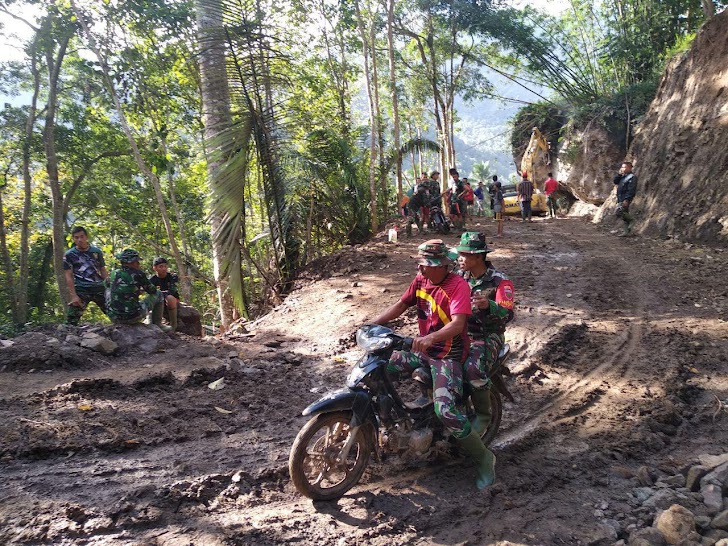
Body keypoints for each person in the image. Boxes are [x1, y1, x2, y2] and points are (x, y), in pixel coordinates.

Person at [372, 240, 496, 489]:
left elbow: (458, 324)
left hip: (447, 356)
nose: (421, 270)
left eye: (426, 266)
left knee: (446, 410)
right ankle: (389, 424)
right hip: (423, 350)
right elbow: (401, 304)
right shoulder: (421, 280)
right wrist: (372, 325)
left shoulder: (457, 285)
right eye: (420, 265)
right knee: (379, 369)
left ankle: (484, 459)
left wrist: (429, 338)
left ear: (441, 266)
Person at [453, 232, 515, 437]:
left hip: (487, 336)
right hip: (460, 332)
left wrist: (489, 306)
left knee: (472, 369)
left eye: (465, 254)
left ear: (479, 257)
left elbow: (508, 314)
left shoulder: (500, 282)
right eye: (459, 254)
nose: (460, 258)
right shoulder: (459, 277)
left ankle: (483, 415)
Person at [106, 249, 171, 332]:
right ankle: (157, 324)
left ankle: (114, 311)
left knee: (107, 289)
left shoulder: (113, 273)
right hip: (133, 317)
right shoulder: (138, 274)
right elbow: (152, 290)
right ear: (132, 262)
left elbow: (106, 285)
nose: (139, 264)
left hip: (114, 317)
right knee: (158, 294)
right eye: (137, 262)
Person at [63, 226, 109, 325]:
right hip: (81, 288)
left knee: (115, 313)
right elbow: (68, 276)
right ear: (73, 239)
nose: (79, 239)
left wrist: (109, 287)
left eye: (82, 236)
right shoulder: (69, 255)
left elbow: (103, 270)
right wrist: (74, 296)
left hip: (99, 287)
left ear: (86, 237)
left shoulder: (96, 252)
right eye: (76, 237)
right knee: (71, 321)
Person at [150, 257, 180, 332]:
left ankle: (173, 326)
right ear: (155, 268)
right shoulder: (152, 280)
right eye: (161, 266)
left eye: (165, 266)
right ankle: (153, 323)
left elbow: (173, 291)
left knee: (169, 298)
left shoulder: (171, 277)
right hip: (159, 302)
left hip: (171, 300)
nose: (164, 268)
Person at [613, 161, 637, 237]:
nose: (623, 169)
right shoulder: (623, 176)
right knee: (623, 214)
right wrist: (619, 174)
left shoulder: (632, 177)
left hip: (625, 197)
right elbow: (615, 181)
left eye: (624, 167)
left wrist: (627, 199)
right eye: (622, 167)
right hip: (620, 197)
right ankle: (626, 232)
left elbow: (631, 189)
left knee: (619, 212)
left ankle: (632, 220)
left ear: (629, 168)